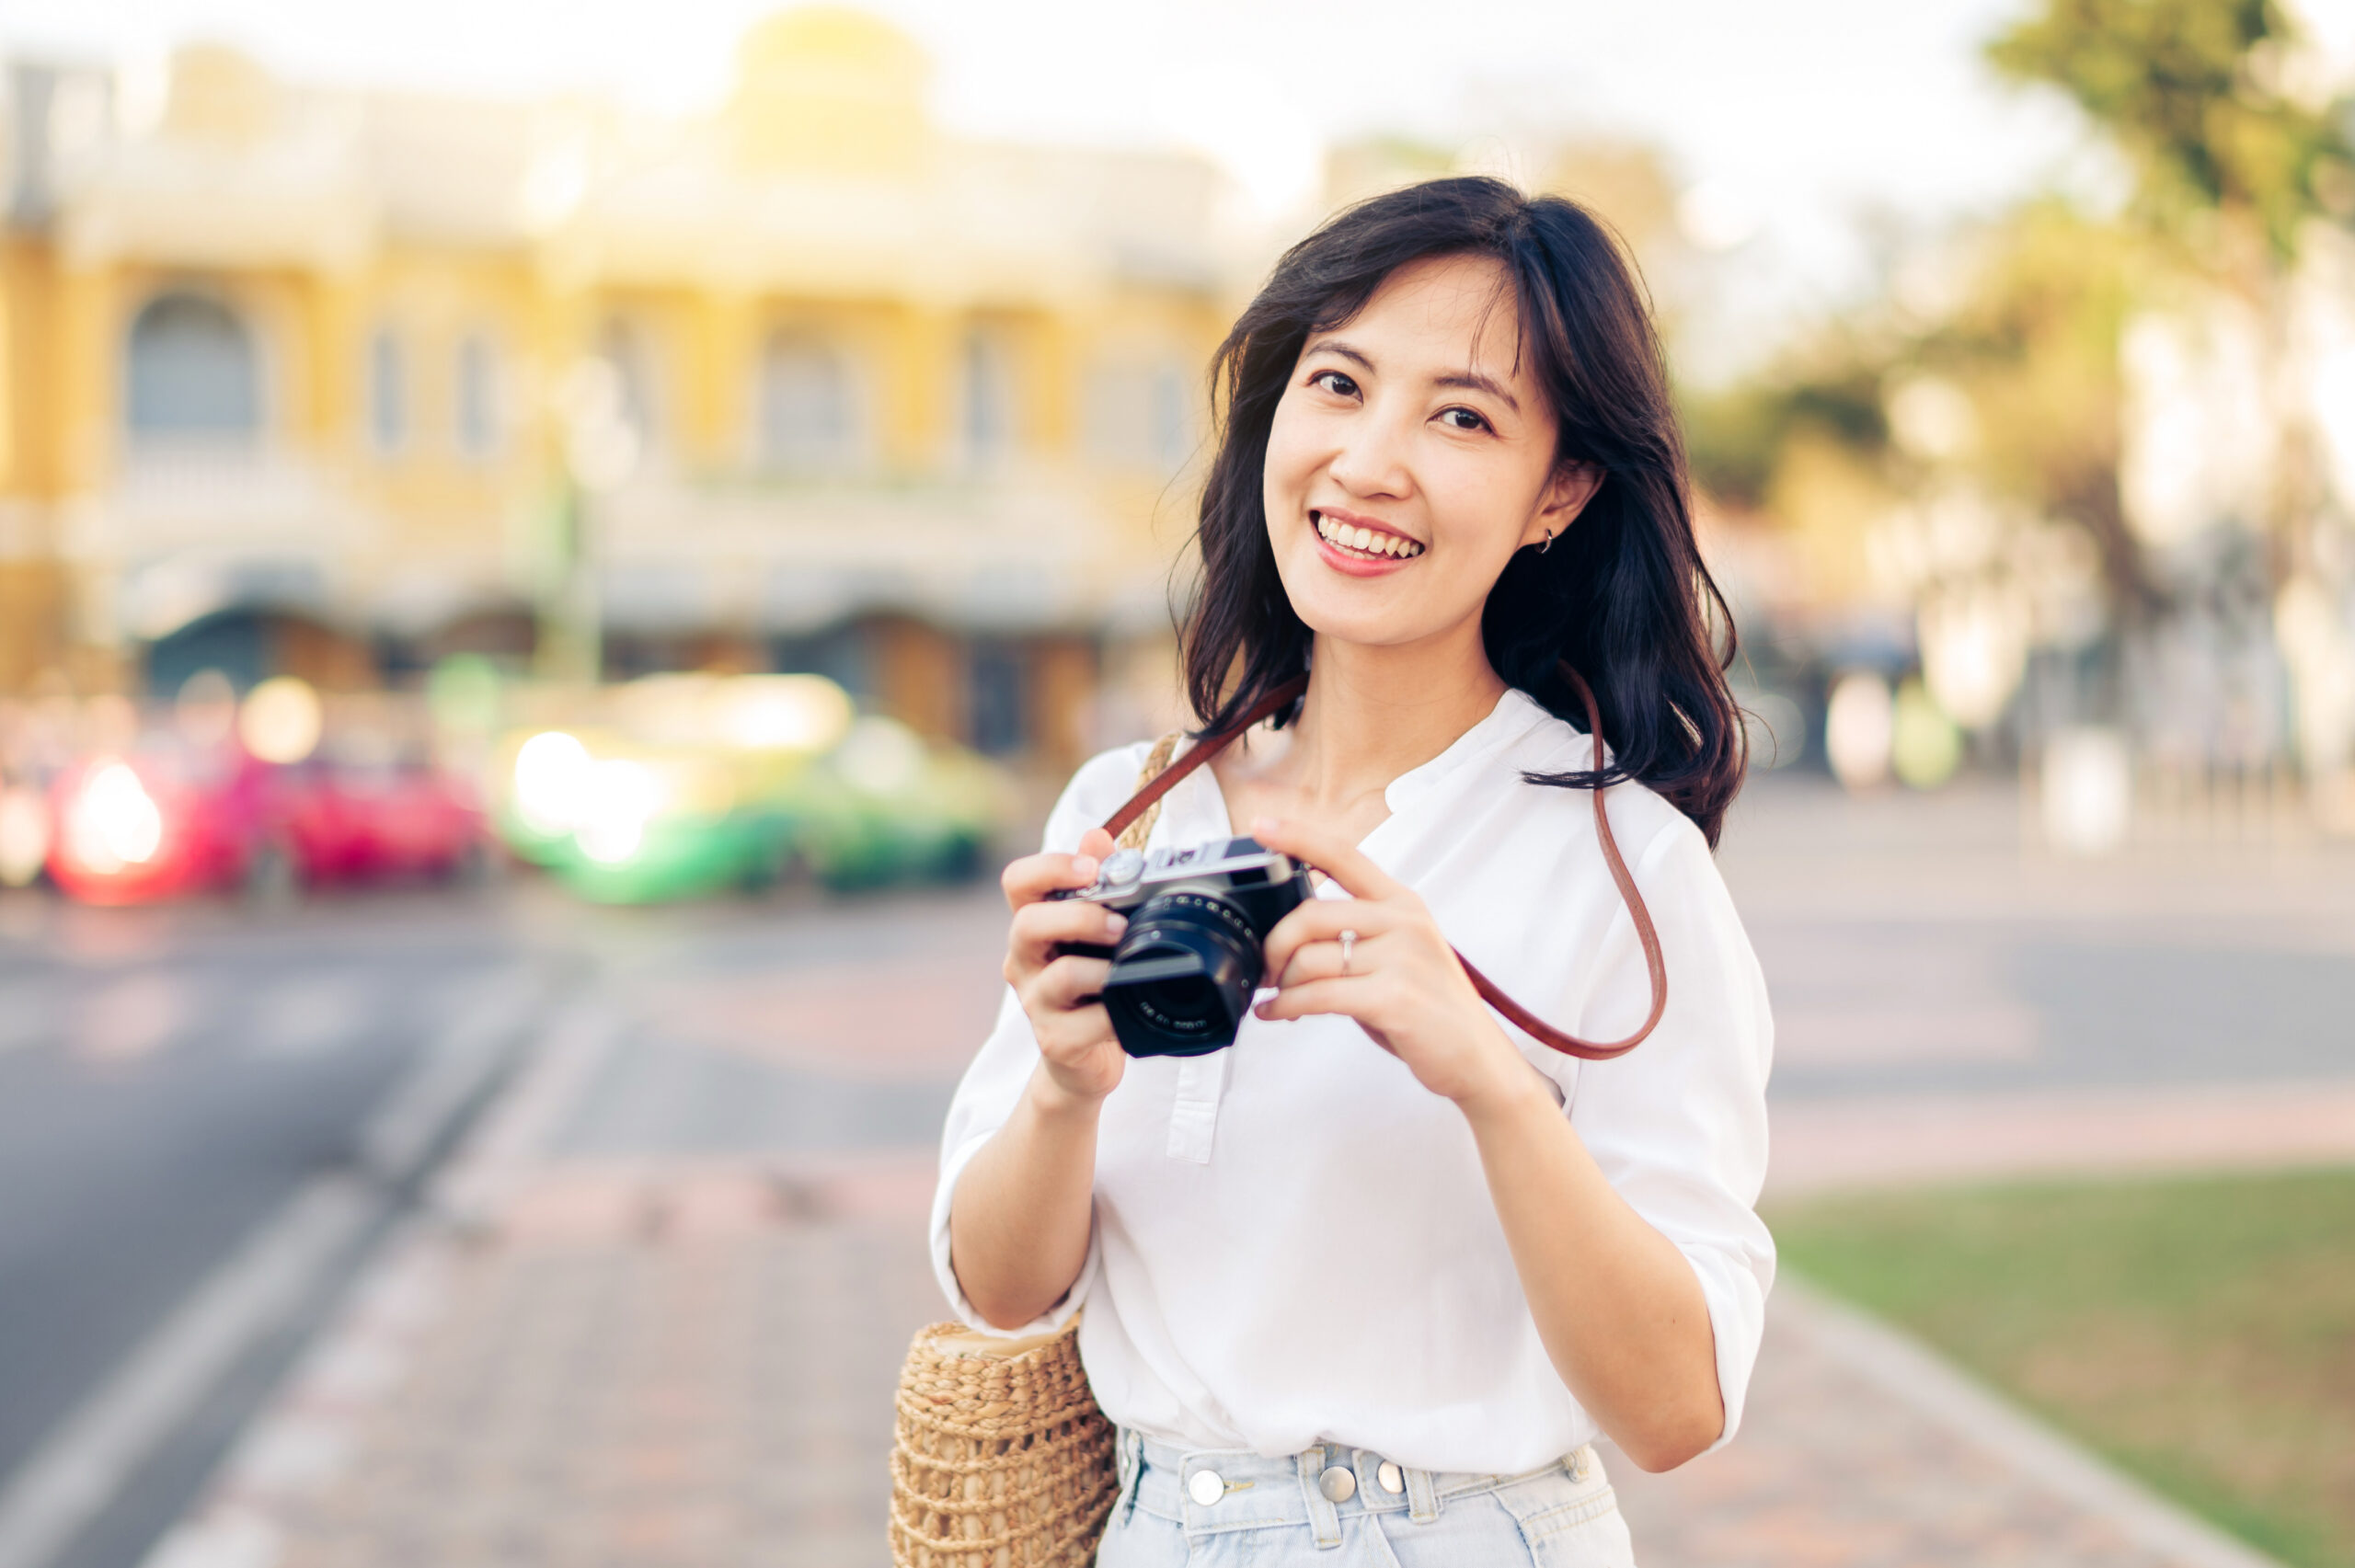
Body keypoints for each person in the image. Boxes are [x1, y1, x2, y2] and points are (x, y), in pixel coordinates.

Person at [930, 176, 1772, 1566]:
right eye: (1339, 383)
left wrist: (1490, 1080)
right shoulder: (1129, 811)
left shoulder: (1625, 861)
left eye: (1460, 416)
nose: (1370, 461)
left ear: (1558, 490)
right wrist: (1066, 1086)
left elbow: (1675, 1405)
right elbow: (1003, 1290)